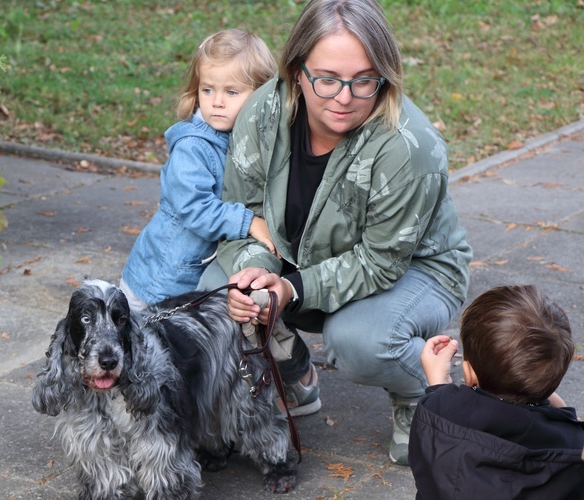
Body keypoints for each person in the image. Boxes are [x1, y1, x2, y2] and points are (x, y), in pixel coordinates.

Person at [198, 0, 472, 466]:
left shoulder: (409, 146)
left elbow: (381, 261)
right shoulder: (264, 109)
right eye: (326, 79)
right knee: (217, 296)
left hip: (413, 270)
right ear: (296, 71)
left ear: (385, 75)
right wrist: (256, 277)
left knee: (359, 341)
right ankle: (294, 373)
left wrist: (288, 288)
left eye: (364, 80)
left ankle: (432, 392)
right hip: (296, 258)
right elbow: (242, 211)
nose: (344, 97)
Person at [120, 29, 278, 309]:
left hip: (192, 272)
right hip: (161, 279)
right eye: (208, 90)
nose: (217, 101)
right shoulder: (193, 148)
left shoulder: (241, 139)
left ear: (260, 95)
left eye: (231, 91)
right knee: (148, 346)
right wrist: (249, 222)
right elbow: (196, 208)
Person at [410, 285, 584, 498]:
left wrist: (438, 384)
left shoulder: (436, 411)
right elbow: (567, 424)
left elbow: (441, 415)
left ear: (469, 372)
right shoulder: (571, 443)